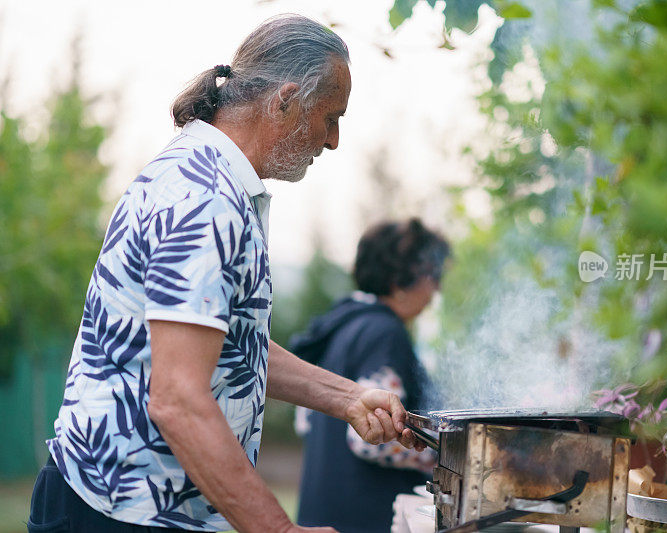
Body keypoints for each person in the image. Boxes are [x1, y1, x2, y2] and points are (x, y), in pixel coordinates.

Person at [27, 15, 423, 533]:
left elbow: (230, 346)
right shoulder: (204, 199)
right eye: (331, 117)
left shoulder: (220, 184)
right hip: (116, 512)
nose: (333, 141)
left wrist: (348, 399)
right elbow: (178, 399)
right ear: (284, 100)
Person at [291, 218, 450, 532]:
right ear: (401, 279)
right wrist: (444, 456)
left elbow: (303, 422)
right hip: (365, 517)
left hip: (323, 510)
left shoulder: (341, 325)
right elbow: (368, 440)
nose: (436, 289)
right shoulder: (384, 333)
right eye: (433, 275)